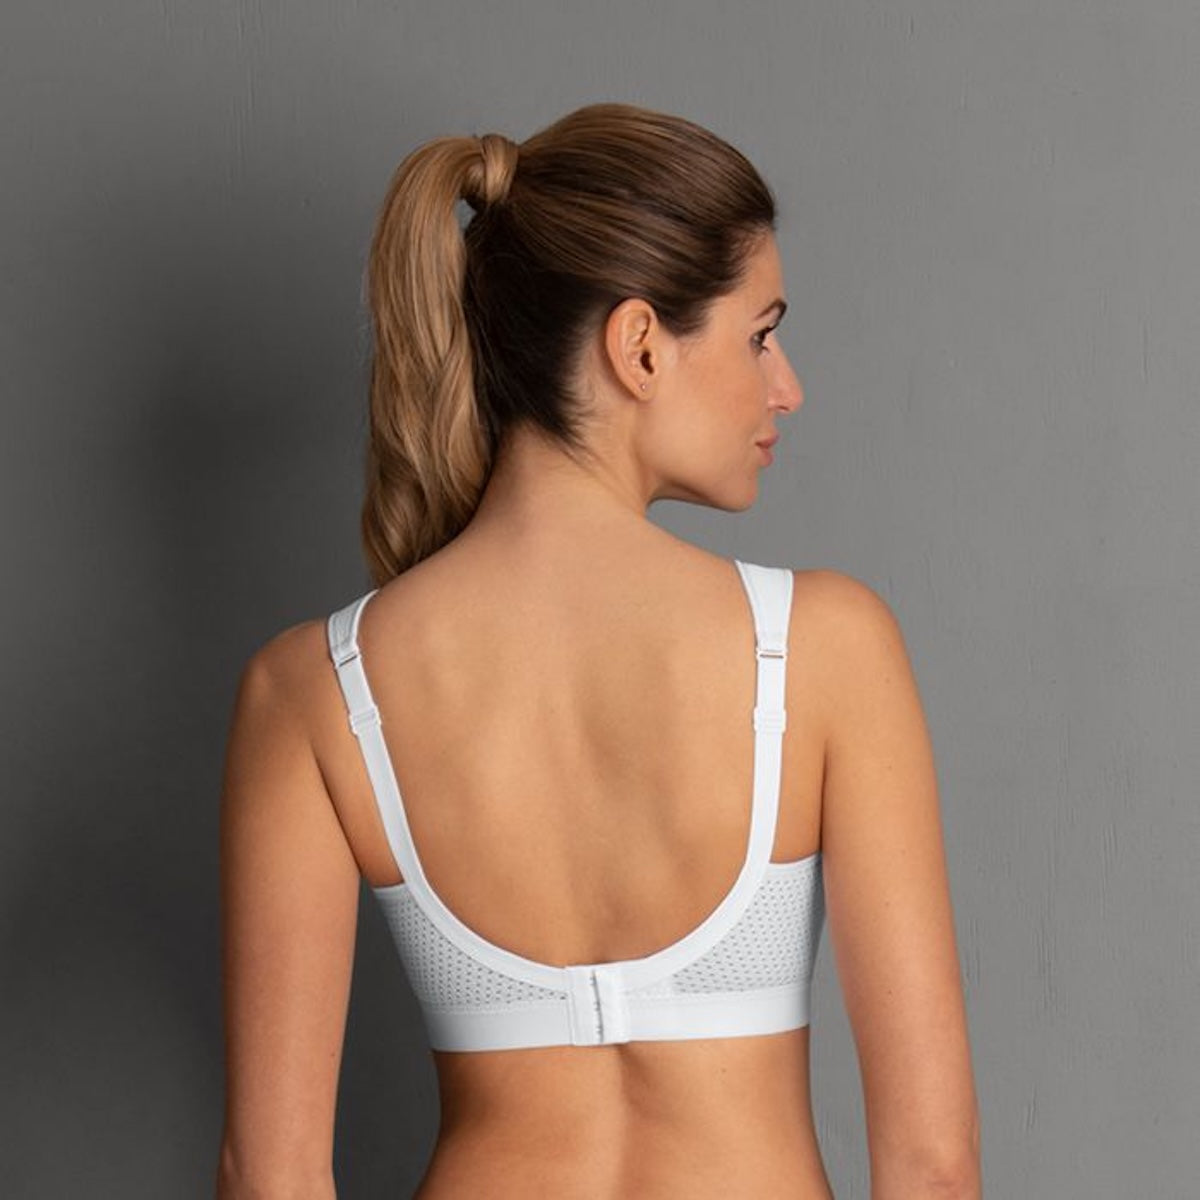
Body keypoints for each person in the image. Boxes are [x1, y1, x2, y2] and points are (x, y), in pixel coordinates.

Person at [215, 101, 980, 1199]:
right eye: (760, 335)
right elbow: (932, 1169)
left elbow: (270, 1178)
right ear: (639, 346)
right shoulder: (826, 650)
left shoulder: (310, 693)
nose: (787, 385)